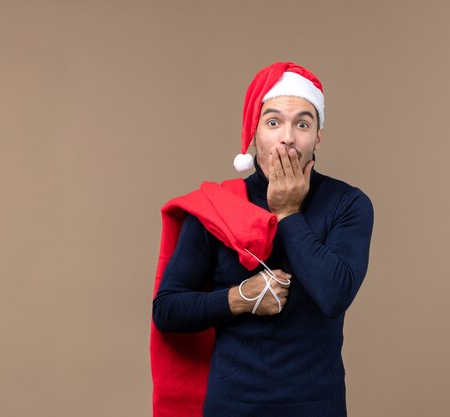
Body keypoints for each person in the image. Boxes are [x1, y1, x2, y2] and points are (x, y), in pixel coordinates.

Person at [151, 62, 374, 417]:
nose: (287, 137)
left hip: (317, 406)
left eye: (302, 123)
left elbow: (334, 295)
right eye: (273, 122)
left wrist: (287, 213)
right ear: (254, 135)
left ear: (318, 136)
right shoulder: (217, 206)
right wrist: (239, 299)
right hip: (232, 406)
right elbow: (167, 310)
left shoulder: (348, 204)